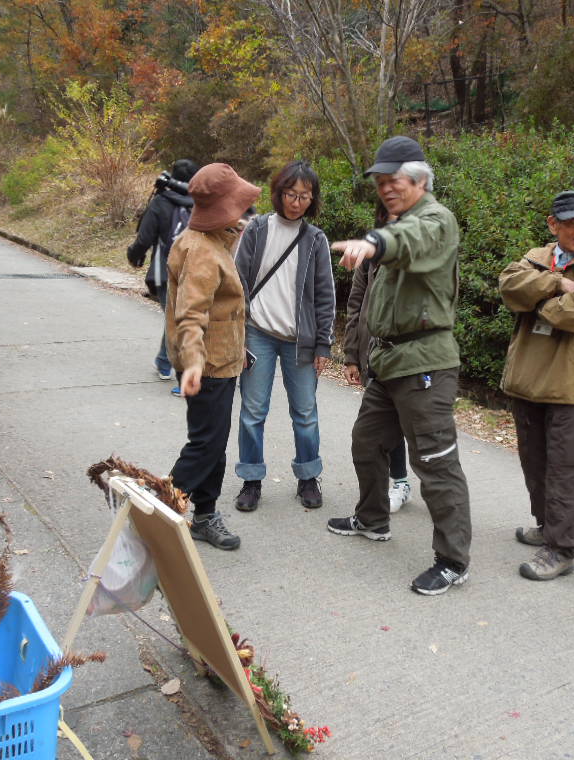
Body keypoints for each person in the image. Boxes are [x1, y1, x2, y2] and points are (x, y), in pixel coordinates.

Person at [325, 136, 472, 596]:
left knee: (434, 460)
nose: (387, 187)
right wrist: (358, 353)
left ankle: (452, 560)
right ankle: (372, 518)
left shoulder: (435, 221)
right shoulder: (398, 225)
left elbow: (410, 241)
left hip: (425, 362)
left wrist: (373, 241)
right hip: (387, 360)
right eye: (381, 181)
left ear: (421, 181)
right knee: (366, 442)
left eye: (397, 180)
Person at [498, 191, 574, 581]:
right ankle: (548, 527)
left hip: (569, 383)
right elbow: (508, 286)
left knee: (567, 467)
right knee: (535, 462)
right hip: (526, 379)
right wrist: (556, 283)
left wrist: (534, 300)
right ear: (554, 224)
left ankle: (563, 548)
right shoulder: (536, 255)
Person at [166, 163, 260, 551]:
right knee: (205, 445)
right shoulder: (203, 251)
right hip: (208, 365)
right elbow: (191, 313)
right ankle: (158, 511)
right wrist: (192, 362)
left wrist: (234, 229)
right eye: (236, 208)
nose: (243, 215)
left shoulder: (205, 239)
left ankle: (204, 515)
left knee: (213, 443)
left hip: (218, 362)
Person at [232, 161, 335, 512]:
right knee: (252, 411)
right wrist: (238, 337)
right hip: (257, 333)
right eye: (291, 194)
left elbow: (325, 295)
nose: (296, 202)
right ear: (279, 193)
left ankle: (308, 477)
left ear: (312, 199)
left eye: (304, 196)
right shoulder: (258, 230)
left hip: (300, 340)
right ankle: (251, 480)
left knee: (305, 412)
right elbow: (237, 284)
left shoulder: (315, 239)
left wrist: (324, 343)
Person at [342, 203, 411, 513]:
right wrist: (351, 356)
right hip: (374, 353)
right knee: (380, 425)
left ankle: (402, 483)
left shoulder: (418, 254)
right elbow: (356, 305)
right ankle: (394, 483)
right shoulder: (369, 259)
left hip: (409, 357)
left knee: (407, 426)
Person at [127, 158, 200, 384]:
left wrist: (134, 255)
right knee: (177, 316)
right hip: (197, 269)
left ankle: (169, 362)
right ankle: (165, 360)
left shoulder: (160, 202)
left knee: (176, 317)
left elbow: (145, 238)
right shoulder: (202, 203)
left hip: (164, 270)